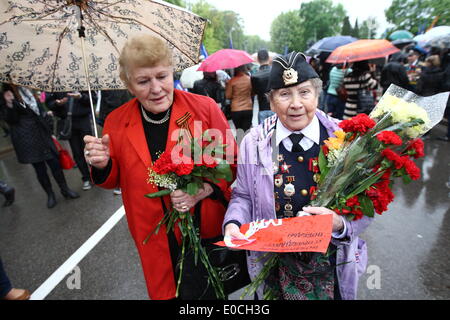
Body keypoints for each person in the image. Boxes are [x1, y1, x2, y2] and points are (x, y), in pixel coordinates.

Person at [83, 34, 237, 300]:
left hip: (203, 227)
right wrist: (102, 164)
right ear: (128, 84)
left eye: (162, 76)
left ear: (171, 73)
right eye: (143, 81)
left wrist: (202, 190)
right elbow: (112, 181)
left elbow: (230, 162)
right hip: (153, 233)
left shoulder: (203, 108)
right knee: (168, 294)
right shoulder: (116, 122)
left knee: (209, 295)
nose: (156, 88)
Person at [223, 52, 372, 300]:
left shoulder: (345, 140)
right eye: (284, 94)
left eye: (304, 92)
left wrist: (340, 224)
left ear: (316, 95)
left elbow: (366, 204)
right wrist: (233, 223)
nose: (295, 104)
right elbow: (243, 196)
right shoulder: (253, 142)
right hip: (272, 267)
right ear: (271, 102)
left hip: (328, 269)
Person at [1, 84, 79, 209]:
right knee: (40, 169)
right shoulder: (6, 95)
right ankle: (50, 195)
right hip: (27, 138)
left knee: (55, 163)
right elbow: (10, 120)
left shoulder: (27, 90)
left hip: (42, 133)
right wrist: (9, 104)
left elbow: (38, 110)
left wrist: (46, 118)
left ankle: (65, 189)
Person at [46, 90, 97, 191]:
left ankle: (96, 174)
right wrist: (57, 103)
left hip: (83, 120)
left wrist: (81, 97)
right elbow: (49, 103)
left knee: (90, 149)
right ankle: (86, 177)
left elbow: (93, 99)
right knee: (77, 152)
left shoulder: (81, 79)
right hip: (67, 123)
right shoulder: (55, 85)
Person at [226, 64, 254, 133]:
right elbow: (253, 93)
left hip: (236, 109)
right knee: (247, 131)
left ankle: (239, 143)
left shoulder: (231, 81)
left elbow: (228, 96)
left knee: (239, 131)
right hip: (248, 108)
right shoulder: (249, 79)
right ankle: (247, 143)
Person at [251, 49, 275, 124]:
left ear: (257, 59)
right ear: (269, 58)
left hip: (262, 109)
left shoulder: (254, 76)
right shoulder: (275, 72)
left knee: (263, 134)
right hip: (276, 108)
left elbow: (254, 92)